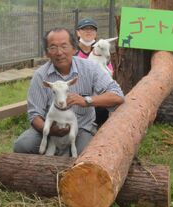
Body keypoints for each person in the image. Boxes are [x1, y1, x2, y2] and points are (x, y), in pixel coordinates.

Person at [13, 27, 124, 156]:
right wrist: (50, 130)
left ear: (74, 49)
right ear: (47, 53)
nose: (59, 52)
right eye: (53, 48)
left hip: (81, 128)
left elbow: (117, 95)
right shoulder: (40, 76)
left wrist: (86, 100)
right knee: (22, 145)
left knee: (86, 154)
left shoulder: (90, 69)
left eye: (64, 46)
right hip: (49, 128)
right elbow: (34, 114)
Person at [74, 18, 114, 127]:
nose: (88, 31)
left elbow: (110, 73)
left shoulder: (102, 51)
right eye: (84, 29)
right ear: (78, 32)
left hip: (98, 95)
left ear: (96, 33)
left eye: (92, 29)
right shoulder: (73, 52)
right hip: (78, 95)